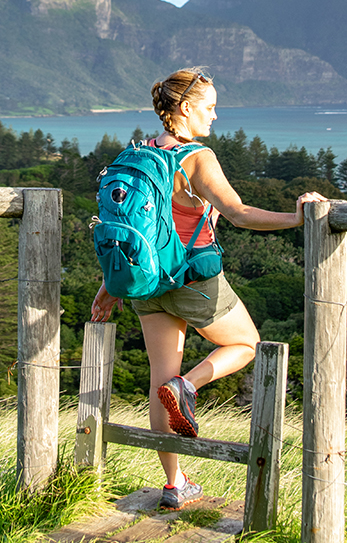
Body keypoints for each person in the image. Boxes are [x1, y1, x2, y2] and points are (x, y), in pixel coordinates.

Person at [90, 67, 325, 510]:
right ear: (184, 108)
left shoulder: (137, 154)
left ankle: (175, 483)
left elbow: (132, 227)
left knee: (160, 377)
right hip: (191, 279)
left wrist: (112, 284)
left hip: (145, 282)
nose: (215, 117)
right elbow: (237, 212)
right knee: (247, 344)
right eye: (210, 107)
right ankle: (191, 385)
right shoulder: (196, 157)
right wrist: (297, 218)